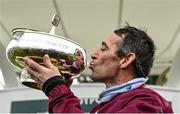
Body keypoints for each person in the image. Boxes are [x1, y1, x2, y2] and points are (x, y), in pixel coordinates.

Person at [23, 25, 173, 113]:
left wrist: (56, 89)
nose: (94, 54)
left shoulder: (147, 101)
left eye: (103, 48)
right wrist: (59, 91)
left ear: (126, 60)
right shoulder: (104, 107)